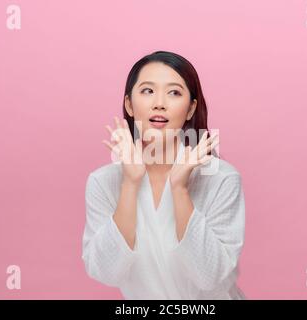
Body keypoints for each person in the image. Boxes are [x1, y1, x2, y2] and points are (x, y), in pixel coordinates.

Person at [82, 51, 246, 299]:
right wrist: (130, 182)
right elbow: (106, 272)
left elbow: (209, 275)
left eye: (174, 92)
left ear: (191, 109)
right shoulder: (103, 182)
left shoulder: (221, 178)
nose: (159, 103)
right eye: (148, 91)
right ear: (129, 104)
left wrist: (179, 189)